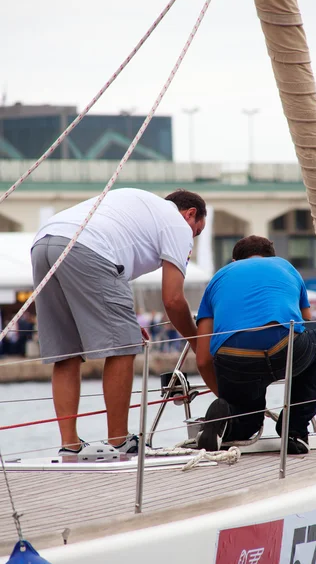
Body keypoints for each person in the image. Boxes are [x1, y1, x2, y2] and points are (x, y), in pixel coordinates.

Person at [31, 188, 206, 456]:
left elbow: (114, 270)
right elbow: (173, 300)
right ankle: (119, 441)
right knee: (125, 345)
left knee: (66, 352)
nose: (193, 238)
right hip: (88, 246)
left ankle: (70, 446)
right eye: (197, 231)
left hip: (44, 240)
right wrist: (198, 343)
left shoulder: (141, 205)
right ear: (190, 214)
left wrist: (125, 318)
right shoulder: (177, 225)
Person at [195, 235, 316, 454]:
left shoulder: (218, 278)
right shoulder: (285, 267)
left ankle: (227, 421)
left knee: (247, 422)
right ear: (271, 256)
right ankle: (294, 431)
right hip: (283, 347)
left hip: (234, 355)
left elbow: (202, 360)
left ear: (234, 260)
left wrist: (226, 398)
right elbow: (305, 323)